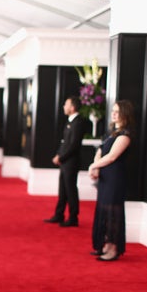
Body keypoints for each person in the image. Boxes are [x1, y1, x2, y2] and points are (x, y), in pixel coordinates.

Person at [88, 100, 134, 261]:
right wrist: (96, 167)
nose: (113, 114)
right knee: (104, 212)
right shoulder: (110, 133)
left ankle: (114, 249)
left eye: (117, 111)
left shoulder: (125, 135)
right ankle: (106, 245)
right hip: (105, 177)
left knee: (113, 213)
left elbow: (112, 156)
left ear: (125, 114)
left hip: (115, 179)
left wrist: (93, 166)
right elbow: (100, 151)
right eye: (113, 111)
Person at [44, 96, 88, 227]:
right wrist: (59, 155)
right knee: (62, 190)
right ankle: (59, 214)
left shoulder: (78, 123)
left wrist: (60, 157)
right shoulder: (70, 122)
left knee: (70, 190)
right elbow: (64, 143)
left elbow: (73, 145)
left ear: (72, 107)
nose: (64, 106)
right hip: (65, 162)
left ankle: (73, 217)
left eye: (66, 104)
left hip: (71, 162)